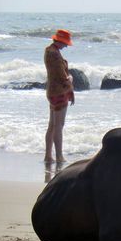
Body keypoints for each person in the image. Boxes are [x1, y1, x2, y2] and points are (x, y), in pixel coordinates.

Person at [44, 29, 75, 163]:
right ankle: (59, 156)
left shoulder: (48, 51)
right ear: (60, 41)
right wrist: (71, 78)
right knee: (59, 125)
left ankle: (48, 155)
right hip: (59, 92)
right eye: (65, 43)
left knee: (52, 125)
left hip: (51, 91)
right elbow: (63, 78)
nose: (66, 46)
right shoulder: (55, 55)